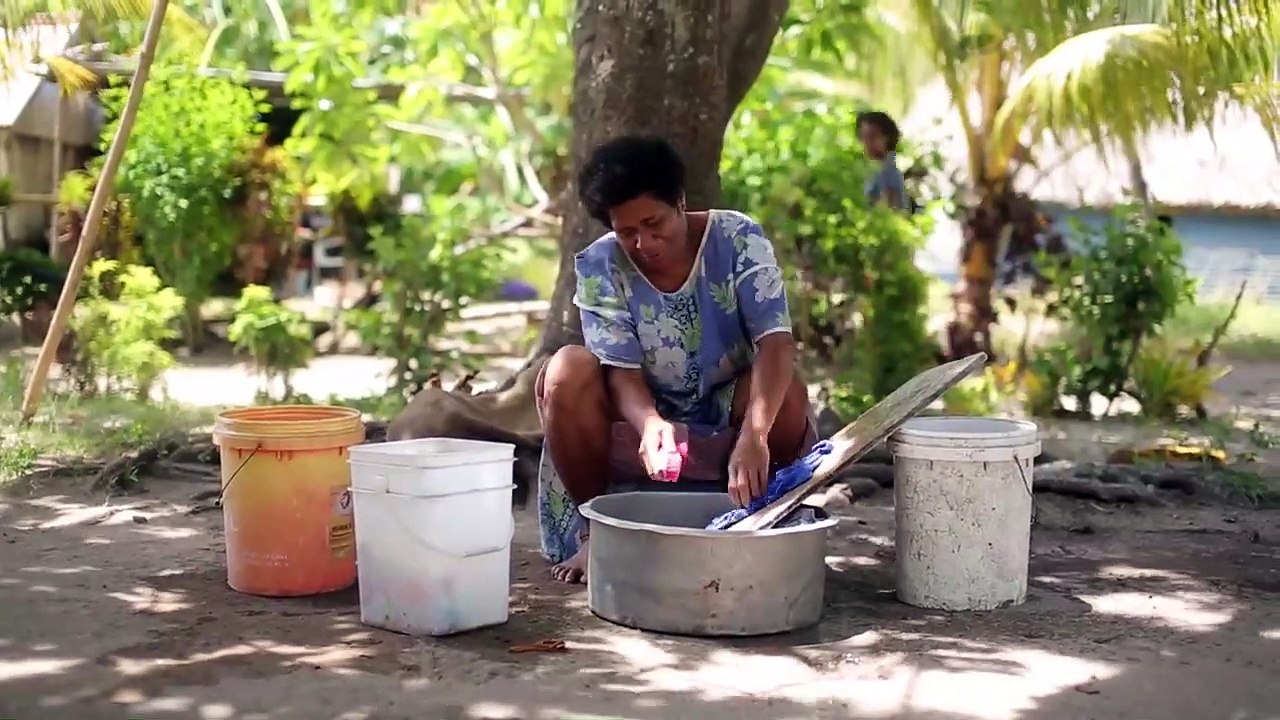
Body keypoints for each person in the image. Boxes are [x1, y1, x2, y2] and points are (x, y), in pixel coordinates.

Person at [535, 135, 818, 583]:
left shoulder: (738, 238)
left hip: (729, 406)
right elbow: (619, 371)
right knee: (566, 369)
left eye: (654, 223)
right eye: (627, 232)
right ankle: (598, 534)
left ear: (680, 201)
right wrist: (649, 423)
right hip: (635, 412)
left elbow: (776, 344)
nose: (645, 243)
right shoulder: (600, 264)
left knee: (789, 392)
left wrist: (755, 435)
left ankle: (765, 517)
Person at [856, 110, 908, 210]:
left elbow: (889, 212)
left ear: (887, 138)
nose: (867, 143)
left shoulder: (888, 174)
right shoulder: (872, 170)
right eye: (863, 137)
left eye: (873, 136)